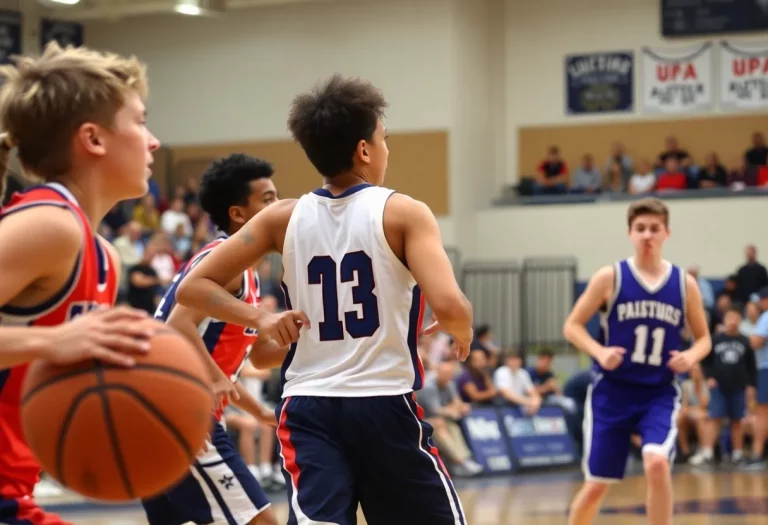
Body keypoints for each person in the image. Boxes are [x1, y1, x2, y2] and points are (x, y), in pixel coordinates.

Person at [175, 74, 473, 525]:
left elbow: (193, 286)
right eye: (383, 139)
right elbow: (450, 307)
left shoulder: (282, 216)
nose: (386, 149)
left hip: (308, 407)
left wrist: (258, 317)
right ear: (365, 150)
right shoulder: (403, 212)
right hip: (382, 402)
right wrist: (461, 327)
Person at [0, 42, 160, 524]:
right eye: (140, 121)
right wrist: (53, 340)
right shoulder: (50, 225)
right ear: (93, 138)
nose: (153, 141)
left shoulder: (104, 258)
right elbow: (53, 343)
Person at [141, 154, 283, 525]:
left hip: (152, 414)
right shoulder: (225, 261)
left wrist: (261, 412)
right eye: (267, 200)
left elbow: (248, 359)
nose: (278, 207)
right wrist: (217, 378)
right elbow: (176, 326)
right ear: (238, 214)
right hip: (180, 414)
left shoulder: (239, 270)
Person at [563, 197, 711, 525]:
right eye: (640, 228)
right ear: (630, 233)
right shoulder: (610, 277)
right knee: (596, 486)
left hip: (658, 391)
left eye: (654, 229)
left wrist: (690, 355)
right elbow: (571, 326)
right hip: (612, 392)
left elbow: (704, 339)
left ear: (666, 233)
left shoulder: (684, 283)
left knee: (656, 462)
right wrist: (600, 352)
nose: (647, 235)